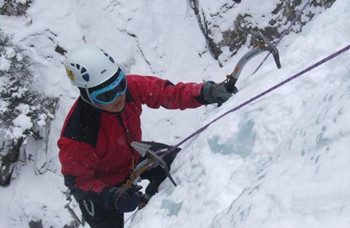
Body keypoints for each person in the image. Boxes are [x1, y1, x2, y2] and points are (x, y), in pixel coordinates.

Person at [57, 44, 234, 227]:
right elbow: (78, 182)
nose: (118, 96)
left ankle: (153, 201)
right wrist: (111, 196)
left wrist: (205, 92)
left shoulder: (130, 88)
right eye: (106, 95)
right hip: (104, 187)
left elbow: (167, 93)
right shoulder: (77, 135)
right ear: (86, 95)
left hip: (132, 154)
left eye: (120, 85)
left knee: (181, 161)